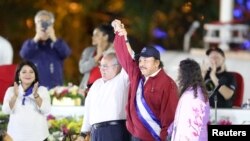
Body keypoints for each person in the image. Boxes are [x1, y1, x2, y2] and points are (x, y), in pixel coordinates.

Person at [112, 20, 179, 141]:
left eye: (146, 61)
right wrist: (120, 33)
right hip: (134, 137)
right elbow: (124, 56)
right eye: (141, 60)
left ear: (157, 63)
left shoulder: (167, 84)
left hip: (155, 138)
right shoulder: (137, 75)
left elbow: (169, 118)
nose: (141, 64)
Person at [76, 52, 130, 141]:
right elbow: (88, 109)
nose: (102, 69)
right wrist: (83, 133)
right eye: (100, 66)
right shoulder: (96, 84)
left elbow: (128, 59)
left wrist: (124, 40)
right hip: (96, 132)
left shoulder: (122, 80)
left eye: (105, 66)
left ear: (116, 67)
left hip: (114, 130)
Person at [19, 10, 71, 89]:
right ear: (36, 26)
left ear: (52, 25)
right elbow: (24, 54)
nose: (44, 25)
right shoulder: (31, 44)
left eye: (47, 22)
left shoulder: (57, 43)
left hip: (55, 92)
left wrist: (53, 37)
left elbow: (66, 53)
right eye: (41, 22)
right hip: (35, 92)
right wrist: (36, 38)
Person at [2, 61, 51, 141]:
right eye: (24, 72)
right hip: (15, 136)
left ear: (35, 75)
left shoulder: (42, 90)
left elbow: (47, 110)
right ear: (19, 75)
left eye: (31, 72)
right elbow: (6, 110)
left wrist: (36, 95)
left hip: (38, 136)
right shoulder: (11, 90)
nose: (28, 74)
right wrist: (15, 96)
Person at [170, 58, 210, 141]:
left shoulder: (193, 96)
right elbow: (181, 118)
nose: (178, 75)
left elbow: (192, 127)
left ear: (186, 74)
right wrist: (170, 130)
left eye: (180, 72)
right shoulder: (192, 92)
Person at [78, 23, 114, 97]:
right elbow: (82, 69)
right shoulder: (88, 51)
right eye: (93, 35)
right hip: (86, 93)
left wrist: (104, 54)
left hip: (105, 95)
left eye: (96, 35)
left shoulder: (113, 54)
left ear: (105, 37)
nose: (93, 37)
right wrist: (97, 56)